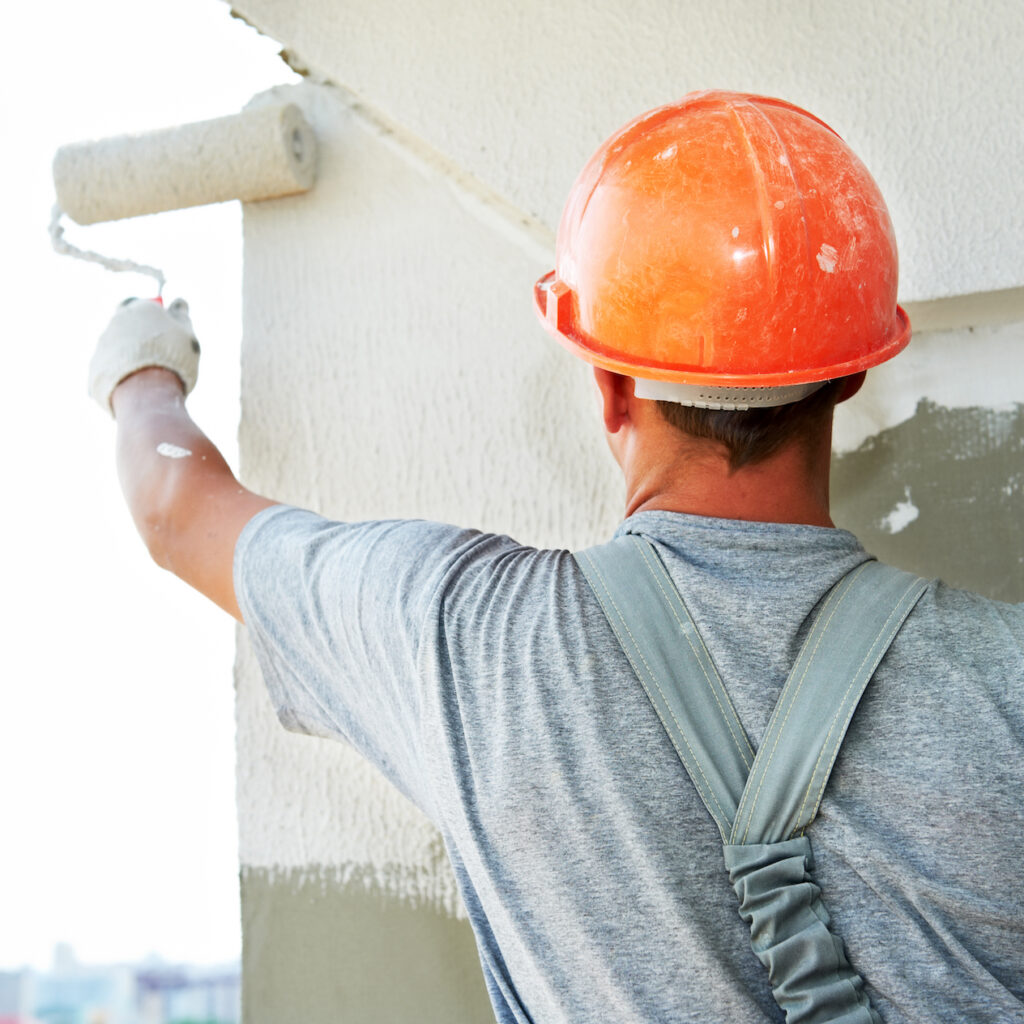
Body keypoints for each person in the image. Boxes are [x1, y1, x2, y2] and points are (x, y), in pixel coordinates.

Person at [90, 91, 1024, 1022]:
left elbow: (176, 508)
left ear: (611, 386)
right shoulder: (1006, 676)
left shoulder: (467, 638)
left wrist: (144, 367)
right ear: (851, 370)